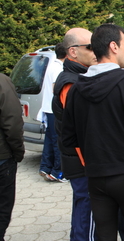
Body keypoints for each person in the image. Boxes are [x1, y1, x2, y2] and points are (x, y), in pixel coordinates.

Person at [62, 23, 124, 241]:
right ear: (113, 46)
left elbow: (68, 138)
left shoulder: (77, 89)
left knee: (104, 236)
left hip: (95, 178)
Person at [52, 28, 98, 241]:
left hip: (81, 160)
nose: (94, 50)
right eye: (89, 47)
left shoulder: (80, 76)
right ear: (72, 52)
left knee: (83, 208)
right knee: (87, 212)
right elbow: (81, 127)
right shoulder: (71, 82)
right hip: (82, 161)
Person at [0, 74, 25, 240]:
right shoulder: (2, 82)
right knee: (2, 206)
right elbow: (12, 120)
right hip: (2, 158)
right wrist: (17, 151)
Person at [38, 42, 66, 182]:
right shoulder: (58, 68)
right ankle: (57, 172)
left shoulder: (52, 65)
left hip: (48, 109)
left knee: (50, 140)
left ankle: (45, 167)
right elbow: (57, 89)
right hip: (54, 110)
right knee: (57, 141)